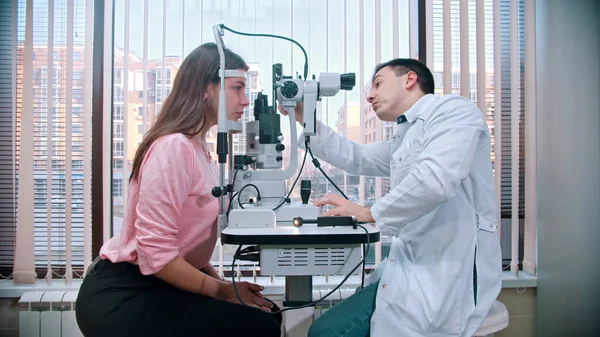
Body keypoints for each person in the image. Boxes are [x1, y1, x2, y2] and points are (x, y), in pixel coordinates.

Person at [282, 58, 502, 336]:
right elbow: (356, 156)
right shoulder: (405, 136)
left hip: (449, 267)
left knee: (326, 332)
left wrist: (370, 212)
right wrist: (305, 116)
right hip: (413, 265)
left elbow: (435, 180)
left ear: (409, 79)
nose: (369, 95)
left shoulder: (453, 111)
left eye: (378, 83)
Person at [76, 43, 282, 337]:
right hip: (124, 293)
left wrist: (225, 286)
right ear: (205, 88)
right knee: (258, 328)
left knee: (267, 314)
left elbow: (185, 245)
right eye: (237, 88)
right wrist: (222, 292)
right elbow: (156, 255)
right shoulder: (173, 148)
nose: (246, 101)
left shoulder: (201, 151)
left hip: (162, 281)